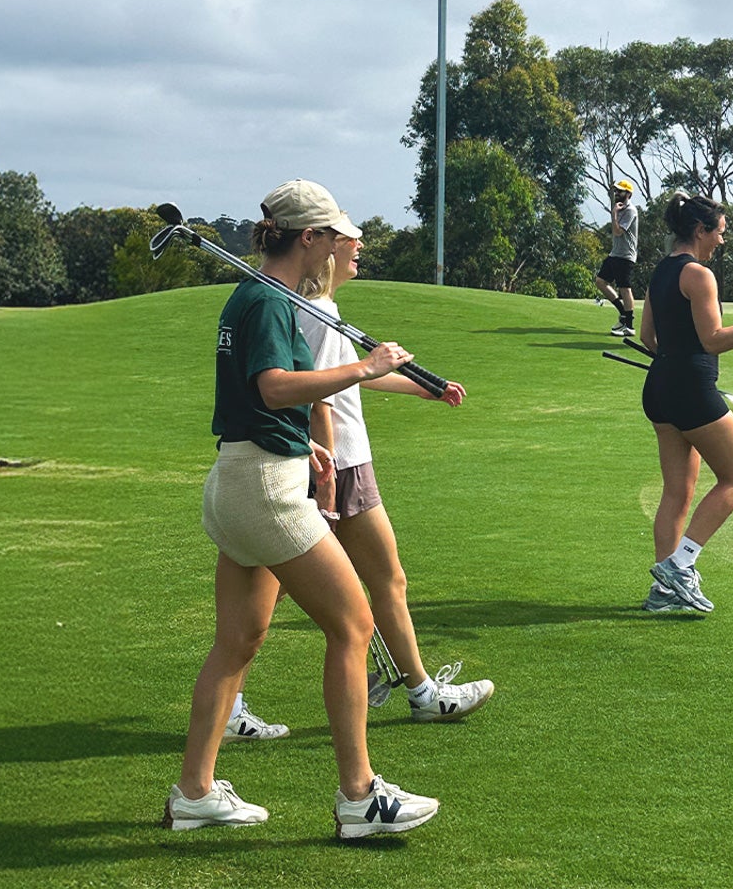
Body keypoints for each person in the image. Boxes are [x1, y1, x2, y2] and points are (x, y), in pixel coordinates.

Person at [165, 179, 439, 839]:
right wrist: (365, 370)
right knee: (353, 624)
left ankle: (194, 793)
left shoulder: (262, 297)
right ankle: (360, 798)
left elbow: (264, 405)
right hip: (263, 491)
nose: (342, 246)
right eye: (334, 235)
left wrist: (303, 448)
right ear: (309, 238)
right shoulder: (267, 301)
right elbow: (274, 384)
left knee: (238, 641)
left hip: (244, 475)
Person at [228, 226, 498, 736]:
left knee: (370, 580)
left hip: (334, 463)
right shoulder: (321, 315)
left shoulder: (317, 308)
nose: (359, 247)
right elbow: (322, 400)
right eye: (350, 240)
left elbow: (353, 374)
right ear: (327, 248)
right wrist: (328, 478)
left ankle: (420, 691)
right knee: (284, 592)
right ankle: (231, 703)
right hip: (338, 465)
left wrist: (422, 390)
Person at [637, 193, 733, 613]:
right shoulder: (698, 276)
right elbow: (714, 340)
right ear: (700, 230)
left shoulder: (661, 272)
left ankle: (664, 593)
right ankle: (680, 567)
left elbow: (649, 338)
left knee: (677, 493)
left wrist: (677, 357)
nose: (722, 240)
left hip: (660, 387)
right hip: (691, 391)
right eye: (719, 232)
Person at [596, 180, 639, 336]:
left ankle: (629, 326)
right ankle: (623, 313)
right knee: (600, 281)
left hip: (626, 255)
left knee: (624, 288)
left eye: (620, 191)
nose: (616, 194)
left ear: (628, 194)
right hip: (615, 253)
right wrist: (615, 212)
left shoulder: (630, 210)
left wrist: (614, 213)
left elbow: (618, 231)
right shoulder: (620, 209)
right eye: (615, 191)